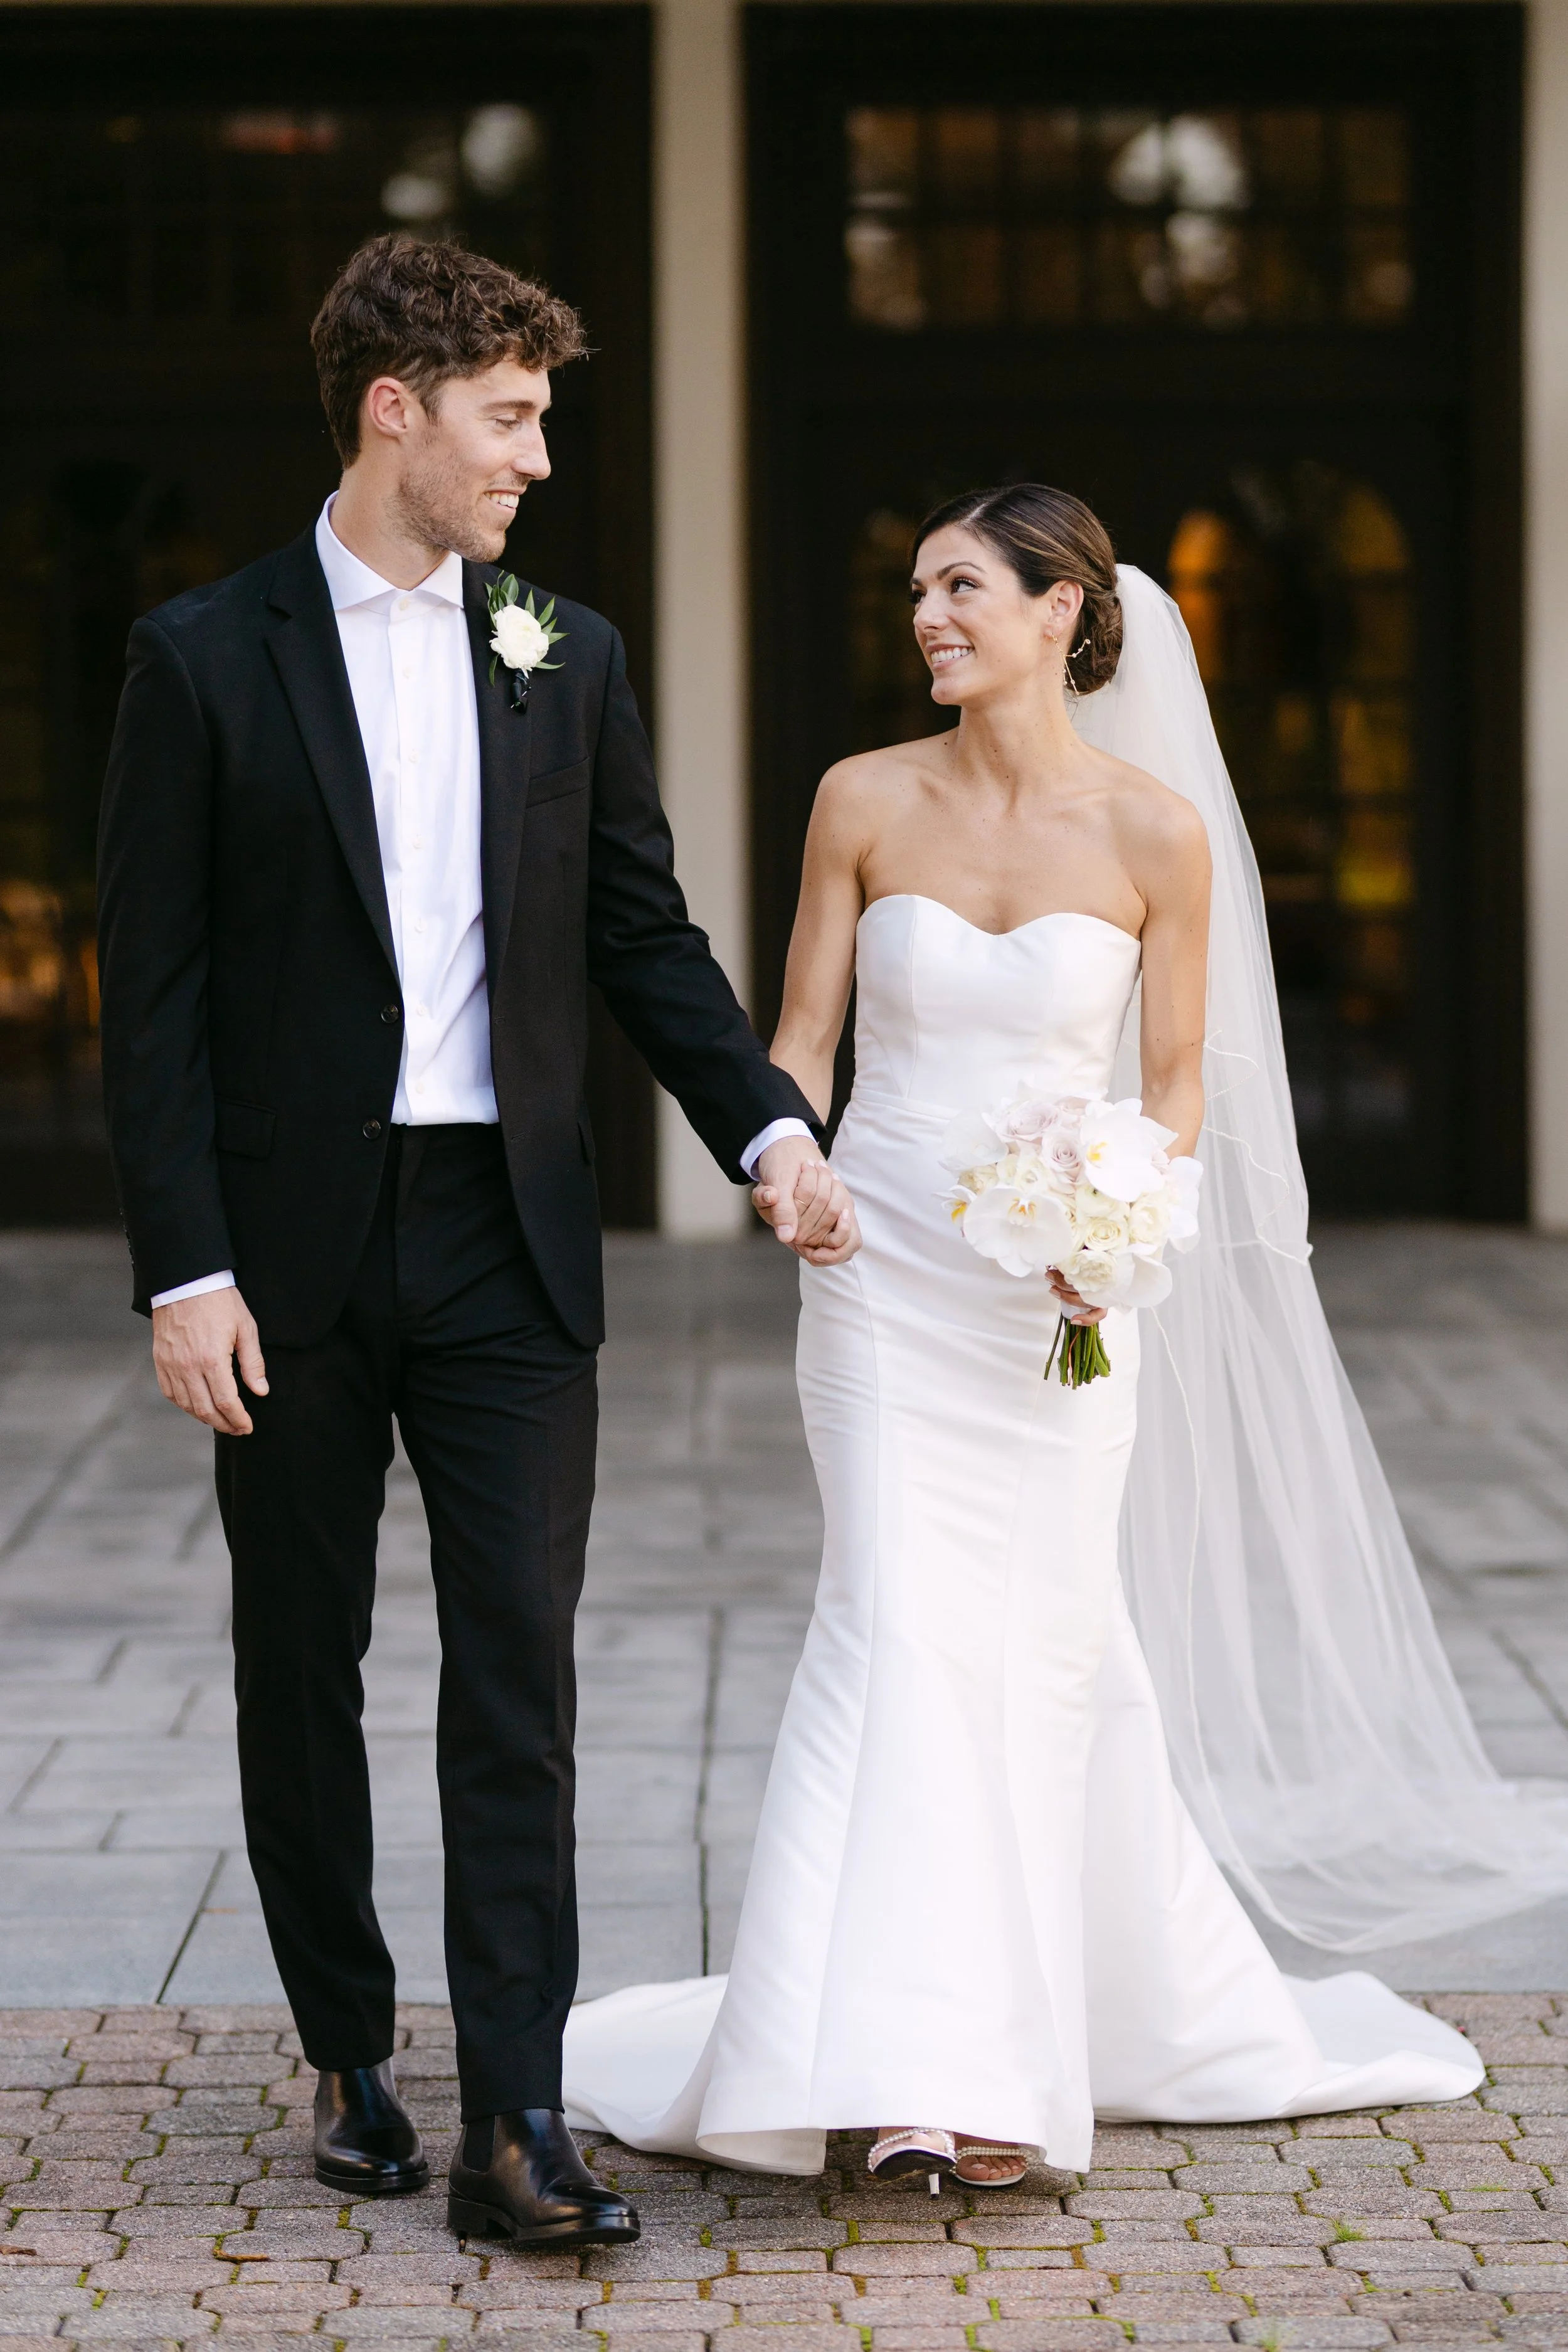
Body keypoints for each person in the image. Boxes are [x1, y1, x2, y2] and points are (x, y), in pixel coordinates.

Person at [559, 480, 1568, 2180]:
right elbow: (798, 1035)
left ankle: (1013, 2040)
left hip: (1056, 1310)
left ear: (1061, 614)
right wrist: (782, 1155)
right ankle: (885, 2061)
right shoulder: (859, 799)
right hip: (882, 1275)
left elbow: (1171, 1086)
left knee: (1037, 1651)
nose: (926, 618)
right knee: (887, 1626)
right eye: (914, 591)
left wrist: (1119, 1228)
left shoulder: (1154, 833)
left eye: (960, 587)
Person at [95, 233, 859, 2249]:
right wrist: (185, 1268)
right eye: (508, 420)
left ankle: (516, 2111)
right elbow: (150, 997)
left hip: (509, 1243)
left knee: (517, 1672)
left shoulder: (561, 651)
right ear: (394, 411)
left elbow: (639, 931)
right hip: (286, 1256)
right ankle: (349, 2044)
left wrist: (766, 1127)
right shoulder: (201, 654)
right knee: (300, 1660)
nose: (534, 458)